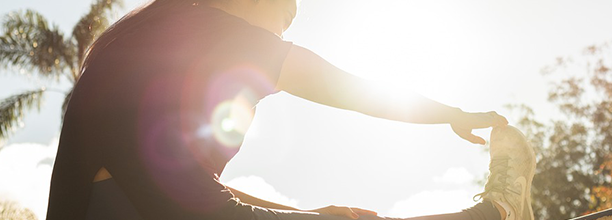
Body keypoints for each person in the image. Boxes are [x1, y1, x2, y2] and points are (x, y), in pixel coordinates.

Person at [45, 0, 537, 220]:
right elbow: (350, 88)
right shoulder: (226, 35)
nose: (282, 33)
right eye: (286, 15)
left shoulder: (150, 40)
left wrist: (303, 213)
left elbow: (180, 191)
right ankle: (498, 213)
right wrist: (450, 113)